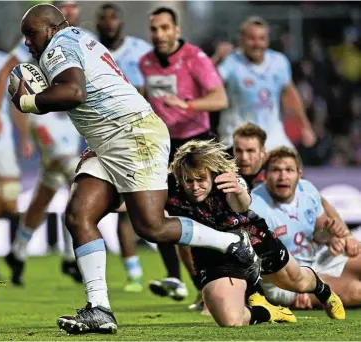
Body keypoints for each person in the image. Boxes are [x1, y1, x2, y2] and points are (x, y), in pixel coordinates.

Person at [9, 4, 259, 334]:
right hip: (112, 139)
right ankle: (99, 308)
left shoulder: (59, 45)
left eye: (31, 33)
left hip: (133, 135)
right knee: (78, 214)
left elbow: (74, 92)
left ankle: (230, 243)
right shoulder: (77, 38)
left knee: (151, 226)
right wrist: (95, 143)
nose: (27, 42)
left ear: (52, 29)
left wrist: (29, 102)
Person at [166, 140, 346, 325]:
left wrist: (236, 190)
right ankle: (267, 312)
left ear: (212, 174)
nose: (195, 187)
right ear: (180, 178)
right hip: (213, 255)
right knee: (230, 321)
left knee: (297, 281)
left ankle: (323, 291)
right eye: (189, 181)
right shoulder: (169, 188)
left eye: (201, 180)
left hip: (254, 239)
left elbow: (242, 205)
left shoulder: (228, 180)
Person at [0, 0, 88, 286]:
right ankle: (73, 257)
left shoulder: (81, 39)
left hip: (68, 119)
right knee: (76, 175)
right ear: (55, 14)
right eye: (64, 6)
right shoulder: (38, 37)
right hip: (42, 115)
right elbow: (6, 72)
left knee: (49, 187)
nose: (70, 11)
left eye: (74, 6)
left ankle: (18, 251)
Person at [137, 6, 228, 302]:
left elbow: (219, 98)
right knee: (159, 211)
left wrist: (186, 105)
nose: (159, 34)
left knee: (207, 217)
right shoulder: (145, 62)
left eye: (165, 28)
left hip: (196, 144)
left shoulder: (195, 58)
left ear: (176, 30)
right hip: (163, 145)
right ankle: (177, 278)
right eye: (154, 29)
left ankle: (220, 283)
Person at [250, 146, 361, 309]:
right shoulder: (257, 206)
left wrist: (333, 238)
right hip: (284, 279)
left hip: (316, 260)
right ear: (265, 176)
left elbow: (320, 231)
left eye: (289, 170)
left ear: (299, 174)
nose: (283, 176)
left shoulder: (307, 189)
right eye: (276, 170)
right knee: (356, 291)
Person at [96, 2, 152, 293]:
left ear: (121, 22)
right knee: (121, 207)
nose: (108, 23)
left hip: (138, 134)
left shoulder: (139, 50)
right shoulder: (91, 50)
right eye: (102, 18)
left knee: (141, 210)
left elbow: (146, 91)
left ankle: (176, 274)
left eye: (112, 17)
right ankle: (133, 273)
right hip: (104, 137)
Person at [216, 16, 316, 153]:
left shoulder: (279, 61)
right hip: (237, 135)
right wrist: (215, 59)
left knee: (290, 167)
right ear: (241, 40)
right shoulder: (231, 62)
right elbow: (208, 85)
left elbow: (289, 94)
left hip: (271, 134)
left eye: (262, 38)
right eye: (252, 38)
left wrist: (305, 126)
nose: (257, 43)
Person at [0, 43, 33, 279]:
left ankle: (16, 255)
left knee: (9, 203)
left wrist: (24, 136)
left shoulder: (3, 61)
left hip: (3, 140)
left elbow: (17, 100)